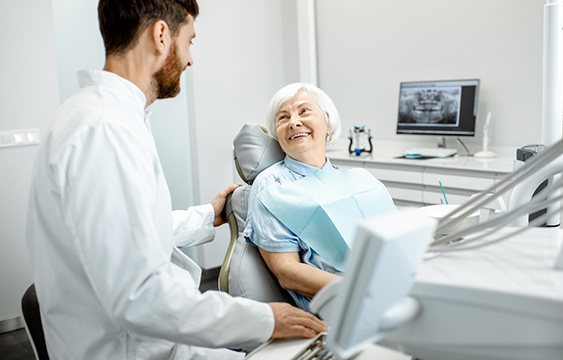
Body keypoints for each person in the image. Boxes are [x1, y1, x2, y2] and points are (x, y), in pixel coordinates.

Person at [25, 1, 325, 359]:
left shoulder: (97, 115)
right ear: (162, 35)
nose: (189, 59)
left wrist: (204, 216)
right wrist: (265, 319)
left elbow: (123, 233)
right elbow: (140, 295)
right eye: (190, 41)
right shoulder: (105, 130)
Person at [244, 83, 396, 311]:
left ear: (328, 124)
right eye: (283, 118)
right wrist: (362, 291)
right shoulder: (272, 185)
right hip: (344, 305)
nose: (294, 122)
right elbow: (287, 272)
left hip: (390, 287)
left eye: (304, 111)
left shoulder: (360, 179)